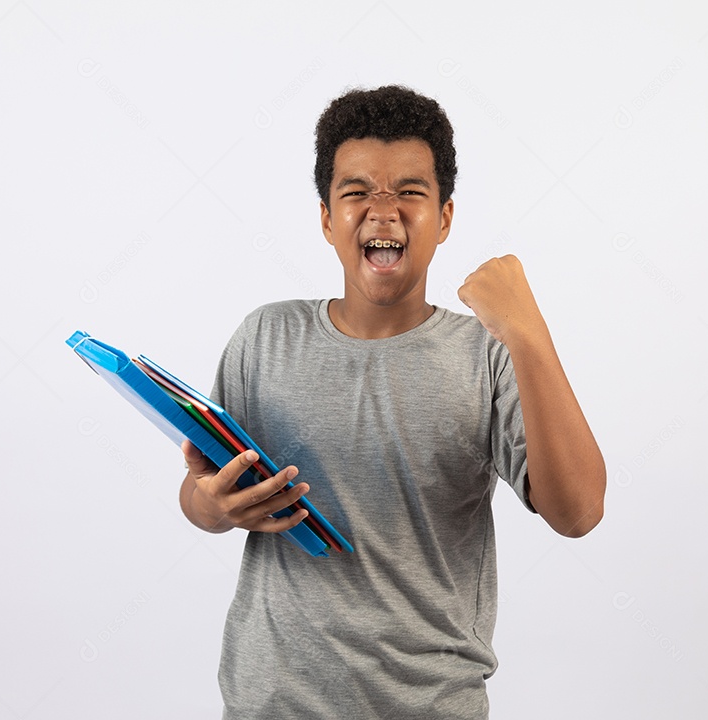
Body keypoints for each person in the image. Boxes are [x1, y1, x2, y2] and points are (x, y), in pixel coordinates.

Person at [178, 85, 605, 719]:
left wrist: (528, 335)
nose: (383, 212)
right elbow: (199, 489)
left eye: (410, 192)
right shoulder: (264, 338)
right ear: (326, 218)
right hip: (273, 704)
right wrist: (211, 508)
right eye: (356, 193)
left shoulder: (486, 355)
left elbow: (578, 511)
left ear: (446, 217)